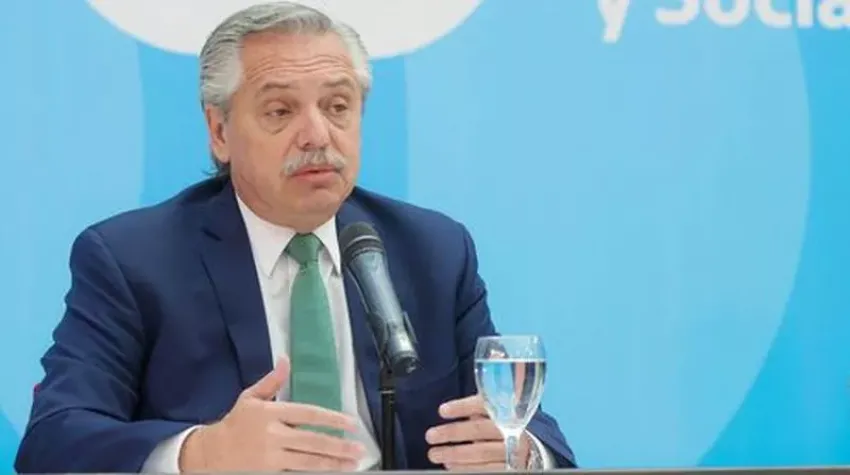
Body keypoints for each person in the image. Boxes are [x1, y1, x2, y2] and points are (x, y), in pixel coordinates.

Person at [14, 2, 576, 472]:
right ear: (219, 131)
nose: (317, 135)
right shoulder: (134, 260)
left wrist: (520, 453)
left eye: (338, 107)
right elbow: (53, 441)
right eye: (280, 111)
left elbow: (535, 435)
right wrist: (200, 454)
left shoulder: (433, 250)